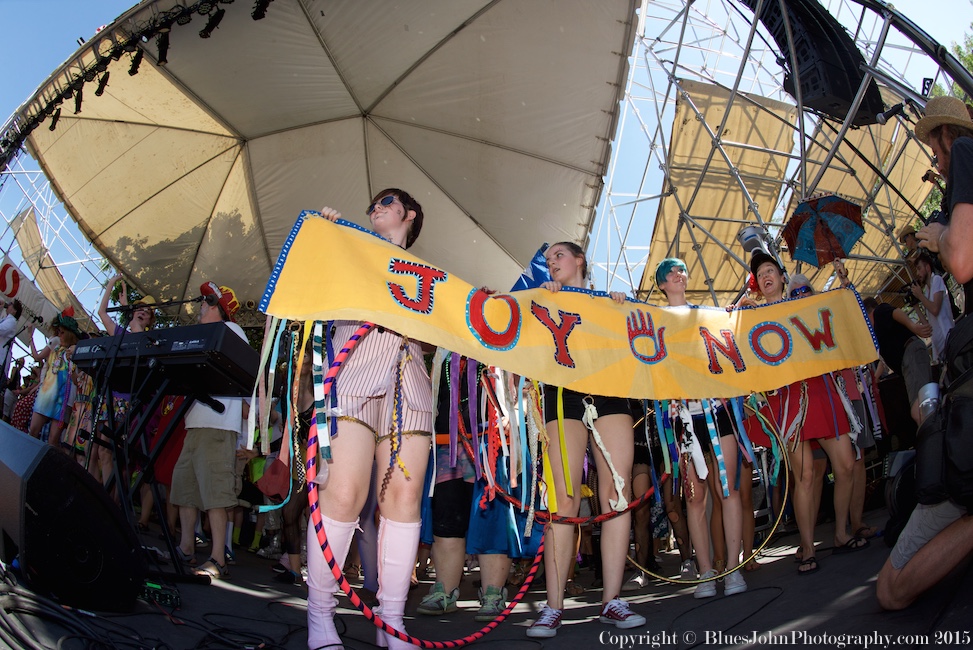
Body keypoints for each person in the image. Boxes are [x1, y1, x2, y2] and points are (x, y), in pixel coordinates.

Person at [308, 189, 432, 650]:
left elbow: (443, 333)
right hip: (353, 373)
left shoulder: (432, 277)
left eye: (387, 200)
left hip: (409, 383)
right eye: (372, 205)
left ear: (409, 214)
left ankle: (392, 622)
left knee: (404, 496)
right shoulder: (350, 250)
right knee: (342, 492)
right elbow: (312, 290)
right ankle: (319, 616)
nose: (375, 207)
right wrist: (326, 239)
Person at [877, 95, 973, 611]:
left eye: (934, 150)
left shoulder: (967, 154)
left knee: (890, 591)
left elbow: (961, 261)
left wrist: (940, 237)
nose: (935, 162)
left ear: (945, 136)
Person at [525, 241, 645, 639]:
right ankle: (553, 606)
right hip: (563, 394)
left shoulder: (608, 301)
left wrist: (619, 309)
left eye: (558, 255)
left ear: (580, 260)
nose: (551, 262)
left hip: (609, 391)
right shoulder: (543, 299)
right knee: (564, 497)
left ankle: (612, 600)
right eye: (548, 260)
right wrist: (540, 300)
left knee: (616, 494)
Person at [735, 252, 860, 576]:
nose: (766, 276)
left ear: (781, 276)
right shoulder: (751, 316)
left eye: (770, 270)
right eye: (761, 273)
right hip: (785, 401)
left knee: (846, 465)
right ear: (758, 284)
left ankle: (841, 532)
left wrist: (844, 281)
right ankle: (807, 546)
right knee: (803, 475)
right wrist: (739, 313)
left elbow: (839, 313)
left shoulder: (804, 305)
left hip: (820, 391)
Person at [655, 258, 747, 597]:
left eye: (681, 270)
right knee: (694, 498)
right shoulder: (655, 320)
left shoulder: (708, 315)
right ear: (662, 284)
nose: (678, 275)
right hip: (683, 419)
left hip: (717, 410)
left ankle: (733, 569)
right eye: (670, 272)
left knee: (729, 489)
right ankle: (706, 572)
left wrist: (737, 315)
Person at [170, 281, 248, 580]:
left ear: (218, 306)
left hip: (218, 426)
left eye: (207, 301)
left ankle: (218, 557)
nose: (201, 305)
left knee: (217, 494)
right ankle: (186, 547)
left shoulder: (232, 331)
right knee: (185, 489)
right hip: (195, 424)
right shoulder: (205, 334)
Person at [862, 297, 933, 425]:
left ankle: (935, 433)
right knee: (921, 407)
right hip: (907, 360)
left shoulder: (879, 311)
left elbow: (896, 312)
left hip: (910, 354)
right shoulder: (879, 332)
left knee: (920, 410)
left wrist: (913, 326)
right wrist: (875, 378)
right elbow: (883, 361)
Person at [27, 313, 82, 451]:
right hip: (46, 396)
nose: (59, 335)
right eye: (58, 332)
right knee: (32, 431)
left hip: (63, 401)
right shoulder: (55, 348)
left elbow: (77, 382)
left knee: (53, 441)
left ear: (69, 334)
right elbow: (39, 359)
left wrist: (73, 363)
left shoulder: (76, 353)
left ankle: (47, 464)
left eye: (62, 332)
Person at [912, 253, 955, 365]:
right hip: (939, 347)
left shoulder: (936, 280)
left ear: (927, 267)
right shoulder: (926, 291)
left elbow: (935, 309)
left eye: (919, 268)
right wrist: (916, 306)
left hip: (948, 339)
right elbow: (928, 325)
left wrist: (920, 296)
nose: (917, 273)